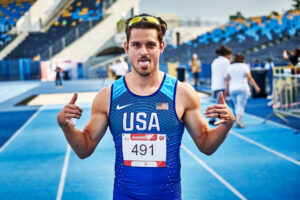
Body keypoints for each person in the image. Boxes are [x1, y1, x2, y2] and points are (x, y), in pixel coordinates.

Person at [57, 14, 235, 200]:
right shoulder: (107, 96)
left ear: (161, 47)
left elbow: (206, 144)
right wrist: (66, 127)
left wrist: (225, 125)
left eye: (150, 45)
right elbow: (84, 148)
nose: (143, 51)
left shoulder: (182, 93)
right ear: (127, 48)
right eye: (136, 45)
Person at [225, 54, 260, 128]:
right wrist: (256, 87)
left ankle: (236, 119)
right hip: (242, 88)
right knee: (240, 105)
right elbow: (250, 78)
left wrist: (226, 89)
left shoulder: (230, 67)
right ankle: (239, 121)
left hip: (232, 88)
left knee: (235, 105)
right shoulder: (244, 66)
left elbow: (227, 80)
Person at [209, 45, 232, 125]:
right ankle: (213, 118)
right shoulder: (226, 61)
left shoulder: (215, 61)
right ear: (227, 54)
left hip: (215, 85)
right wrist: (227, 88)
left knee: (220, 103)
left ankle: (220, 118)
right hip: (222, 85)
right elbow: (226, 76)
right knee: (220, 104)